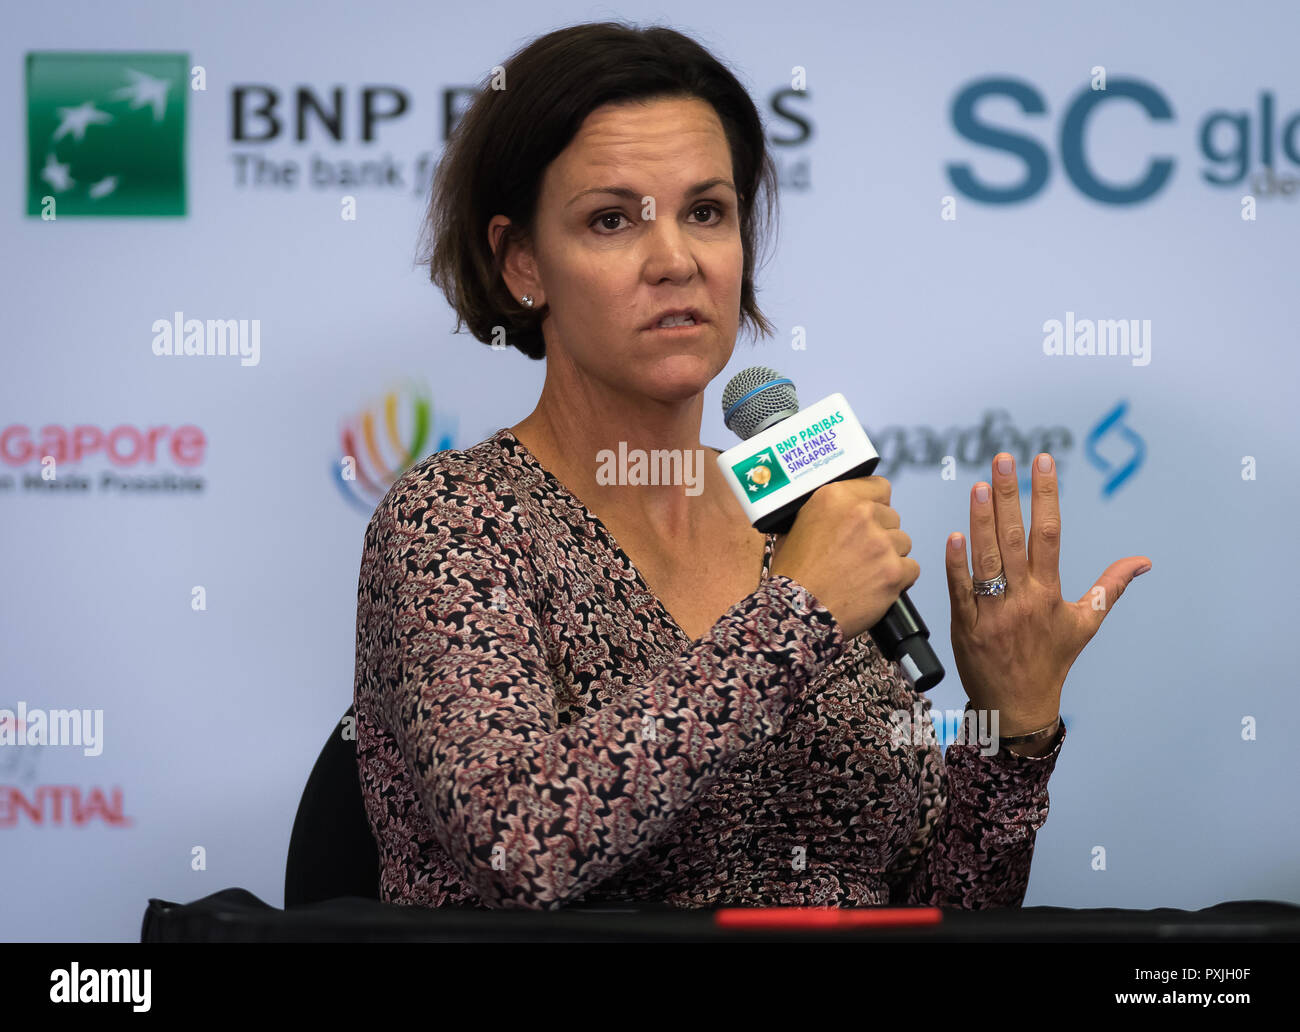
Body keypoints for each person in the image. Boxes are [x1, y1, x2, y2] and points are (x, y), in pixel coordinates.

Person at [352, 21, 1152, 909]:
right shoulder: (456, 519)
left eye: (707, 212)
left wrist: (1017, 729)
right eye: (613, 220)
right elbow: (518, 847)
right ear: (522, 262)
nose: (677, 260)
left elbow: (943, 908)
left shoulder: (796, 506)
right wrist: (794, 617)